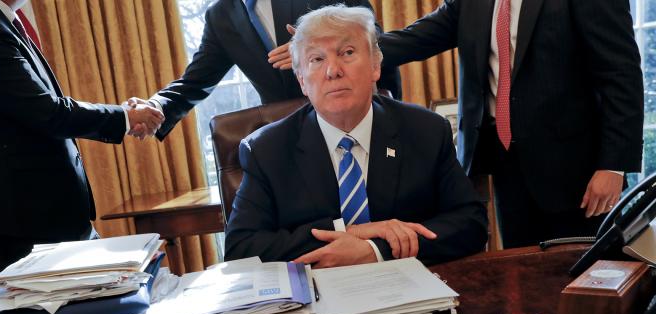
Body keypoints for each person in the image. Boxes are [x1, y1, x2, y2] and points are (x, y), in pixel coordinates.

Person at [224, 5, 488, 268]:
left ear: (375, 66)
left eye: (347, 53)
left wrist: (376, 249)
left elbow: (470, 222)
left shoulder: (425, 130)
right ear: (302, 80)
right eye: (317, 59)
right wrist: (349, 233)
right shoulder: (268, 150)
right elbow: (241, 249)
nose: (333, 70)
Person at [379, 0, 644, 248]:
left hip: (575, 173)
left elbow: (621, 73)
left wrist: (613, 166)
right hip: (506, 165)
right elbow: (416, 39)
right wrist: (351, 50)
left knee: (579, 280)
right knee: (521, 273)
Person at [0, 0, 162, 282]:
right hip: (21, 226)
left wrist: (126, 115)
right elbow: (48, 113)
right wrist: (125, 117)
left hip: (48, 218)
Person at [135, 0, 402, 140]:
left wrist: (314, 46)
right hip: (293, 138)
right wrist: (154, 106)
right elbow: (195, 82)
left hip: (361, 120)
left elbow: (372, 37)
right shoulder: (221, 16)